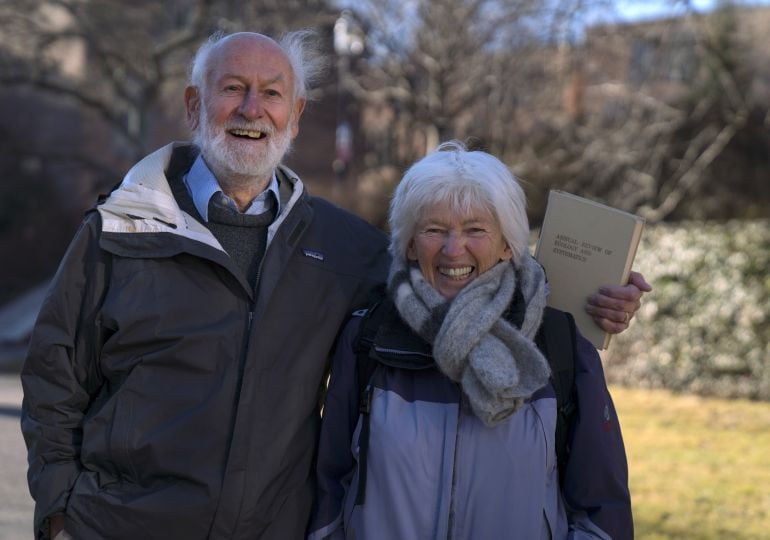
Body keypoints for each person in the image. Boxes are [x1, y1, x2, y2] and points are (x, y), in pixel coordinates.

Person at [20, 31, 647, 540]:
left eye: (271, 93)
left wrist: (595, 298)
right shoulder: (118, 230)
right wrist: (59, 512)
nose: (250, 109)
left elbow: (465, 277)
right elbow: (55, 376)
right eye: (232, 88)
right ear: (194, 105)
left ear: (294, 116)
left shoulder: (346, 248)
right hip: (121, 527)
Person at [309, 141, 634, 539]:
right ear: (410, 244)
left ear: (506, 245)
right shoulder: (369, 337)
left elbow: (603, 510)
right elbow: (329, 489)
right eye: (434, 229)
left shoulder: (558, 344)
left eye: (475, 229)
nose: (452, 249)